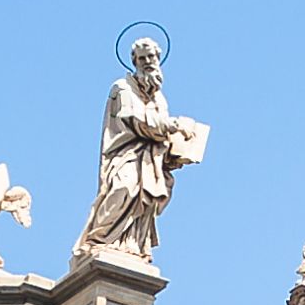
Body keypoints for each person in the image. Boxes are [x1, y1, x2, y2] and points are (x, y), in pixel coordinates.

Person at [82, 37, 210, 262]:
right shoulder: (122, 88)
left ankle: (132, 244)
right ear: (135, 62)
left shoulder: (159, 98)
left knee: (144, 200)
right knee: (123, 188)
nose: (148, 62)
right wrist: (172, 125)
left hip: (151, 159)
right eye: (142, 59)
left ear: (158, 58)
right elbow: (133, 119)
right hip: (126, 154)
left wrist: (179, 149)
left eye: (151, 57)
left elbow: (160, 134)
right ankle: (99, 240)